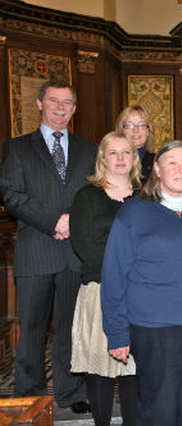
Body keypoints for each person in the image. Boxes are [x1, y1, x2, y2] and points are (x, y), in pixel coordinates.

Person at [101, 141, 182, 426]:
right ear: (157, 170)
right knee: (160, 405)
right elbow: (114, 275)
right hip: (155, 327)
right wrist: (117, 332)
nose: (181, 169)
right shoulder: (134, 212)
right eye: (172, 162)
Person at [0, 80, 97, 413]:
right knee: (32, 330)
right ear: (40, 104)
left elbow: (96, 194)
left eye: (67, 102)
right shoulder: (17, 148)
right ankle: (29, 393)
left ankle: (70, 393)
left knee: (71, 329)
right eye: (54, 101)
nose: (60, 107)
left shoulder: (89, 149)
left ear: (74, 109)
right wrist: (54, 220)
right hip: (36, 249)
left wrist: (74, 220)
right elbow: (11, 194)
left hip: (74, 252)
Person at [69, 131, 140, 426]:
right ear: (103, 158)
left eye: (126, 152)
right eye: (113, 152)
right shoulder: (87, 196)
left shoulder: (147, 195)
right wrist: (121, 276)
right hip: (100, 288)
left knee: (134, 368)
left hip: (141, 292)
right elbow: (84, 244)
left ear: (135, 158)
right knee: (100, 367)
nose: (121, 158)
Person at [116, 105, 155, 183]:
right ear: (121, 130)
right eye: (130, 125)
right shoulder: (112, 160)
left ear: (148, 131)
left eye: (141, 125)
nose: (136, 130)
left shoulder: (157, 163)